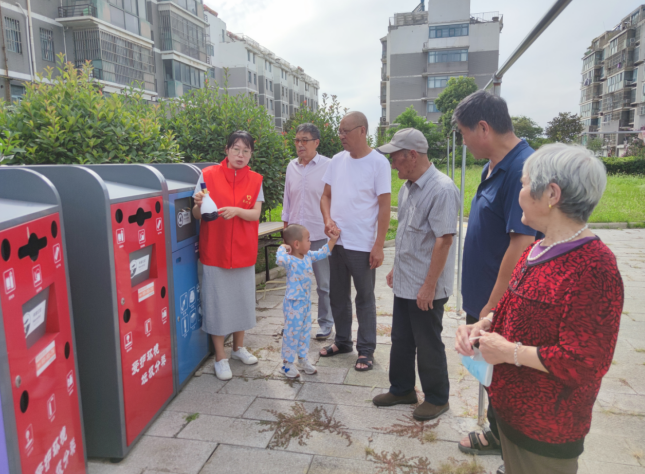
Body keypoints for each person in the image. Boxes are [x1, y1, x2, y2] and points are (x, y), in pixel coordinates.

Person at [455, 143, 624, 474]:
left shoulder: (594, 267)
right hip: (512, 415)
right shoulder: (538, 248)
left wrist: (509, 352)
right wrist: (484, 325)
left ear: (551, 194)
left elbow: (585, 362)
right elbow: (512, 308)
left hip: (547, 430)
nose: (519, 192)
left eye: (524, 183)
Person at [453, 91, 538, 467]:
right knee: (492, 374)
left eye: (463, 133)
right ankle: (496, 432)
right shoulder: (492, 165)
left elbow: (520, 243)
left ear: (483, 128)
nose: (463, 141)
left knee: (507, 378)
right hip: (483, 297)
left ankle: (512, 449)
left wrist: (493, 304)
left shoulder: (524, 169)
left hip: (500, 302)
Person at [371, 128, 460, 421]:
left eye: (395, 157)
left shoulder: (442, 189)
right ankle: (402, 389)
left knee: (428, 341)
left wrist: (429, 286)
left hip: (426, 285)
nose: (392, 164)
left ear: (412, 155)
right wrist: (397, 267)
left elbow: (443, 240)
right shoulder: (407, 186)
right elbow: (409, 236)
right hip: (407, 280)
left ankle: (437, 398)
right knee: (402, 338)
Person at [319, 111, 391, 371]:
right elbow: (325, 196)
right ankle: (342, 341)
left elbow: (385, 207)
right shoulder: (337, 161)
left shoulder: (379, 163)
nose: (341, 137)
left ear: (362, 131)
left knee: (365, 297)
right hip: (336, 242)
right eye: (339, 131)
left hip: (362, 244)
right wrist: (327, 219)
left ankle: (366, 350)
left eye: (345, 132)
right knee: (337, 295)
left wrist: (379, 244)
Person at [193, 130, 263, 381]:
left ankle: (238, 348)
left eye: (246, 150)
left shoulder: (255, 180)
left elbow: (255, 214)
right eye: (236, 149)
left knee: (242, 300)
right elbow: (196, 214)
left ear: (251, 154)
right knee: (217, 303)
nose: (240, 155)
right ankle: (220, 357)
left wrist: (237, 211)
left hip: (243, 249)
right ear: (226, 150)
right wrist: (200, 205)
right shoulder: (207, 175)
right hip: (215, 249)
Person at [282, 123, 334, 340]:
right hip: (295, 239)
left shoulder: (329, 166)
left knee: (324, 284)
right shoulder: (291, 166)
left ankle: (325, 324)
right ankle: (293, 323)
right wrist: (285, 234)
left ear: (316, 142)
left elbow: (334, 198)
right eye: (297, 140)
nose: (300, 145)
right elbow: (287, 200)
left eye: (305, 140)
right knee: (295, 285)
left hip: (319, 233)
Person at [276, 224, 340, 378]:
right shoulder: (289, 260)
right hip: (293, 303)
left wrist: (333, 239)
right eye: (308, 240)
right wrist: (283, 246)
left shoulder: (308, 256)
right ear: (296, 244)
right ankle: (286, 364)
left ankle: (302, 359)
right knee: (292, 333)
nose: (310, 242)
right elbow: (279, 258)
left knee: (304, 332)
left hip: (305, 303)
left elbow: (323, 252)